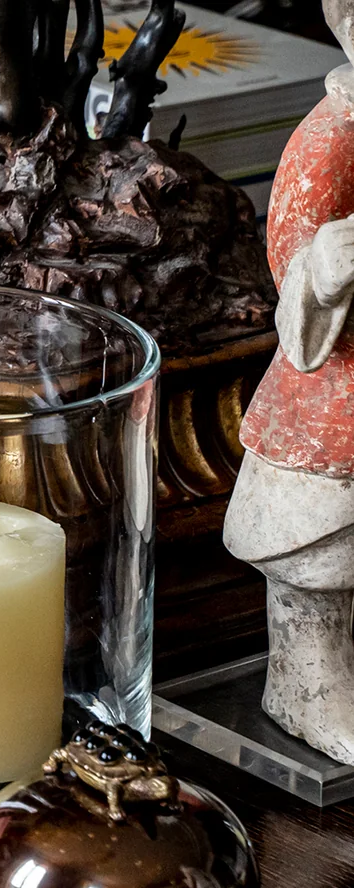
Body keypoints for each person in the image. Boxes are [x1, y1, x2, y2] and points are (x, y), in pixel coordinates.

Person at [224, 0, 354, 763]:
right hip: (335, 390)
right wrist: (326, 267)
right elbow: (291, 260)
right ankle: (307, 684)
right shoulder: (331, 138)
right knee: (322, 552)